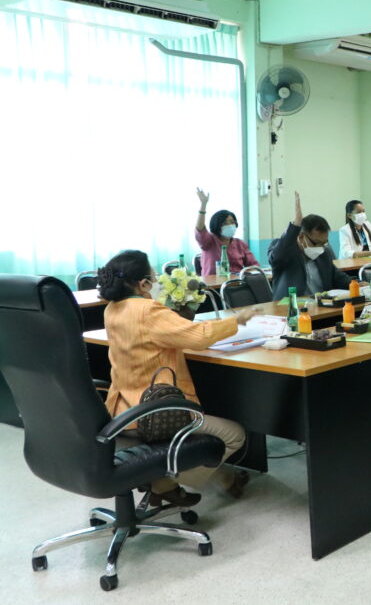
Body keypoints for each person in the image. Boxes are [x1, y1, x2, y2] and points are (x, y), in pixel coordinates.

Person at [98, 250, 257, 507]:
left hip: (122, 411)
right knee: (234, 435)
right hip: (157, 412)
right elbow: (199, 336)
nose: (156, 282)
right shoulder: (147, 310)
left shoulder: (111, 309)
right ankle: (163, 481)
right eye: (153, 277)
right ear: (143, 284)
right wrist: (236, 320)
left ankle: (217, 478)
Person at [268, 192, 353, 300]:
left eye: (324, 243)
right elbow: (277, 257)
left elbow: (337, 277)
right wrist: (295, 226)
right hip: (291, 307)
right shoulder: (286, 251)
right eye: (316, 242)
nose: (321, 248)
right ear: (301, 237)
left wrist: (356, 284)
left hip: (321, 306)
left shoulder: (324, 254)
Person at [194, 188, 259, 275]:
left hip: (237, 281)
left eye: (232, 222)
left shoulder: (240, 244)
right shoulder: (209, 241)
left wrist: (248, 273)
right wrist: (203, 205)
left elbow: (254, 266)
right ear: (217, 225)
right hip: (214, 282)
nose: (230, 225)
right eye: (225, 223)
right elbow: (200, 230)